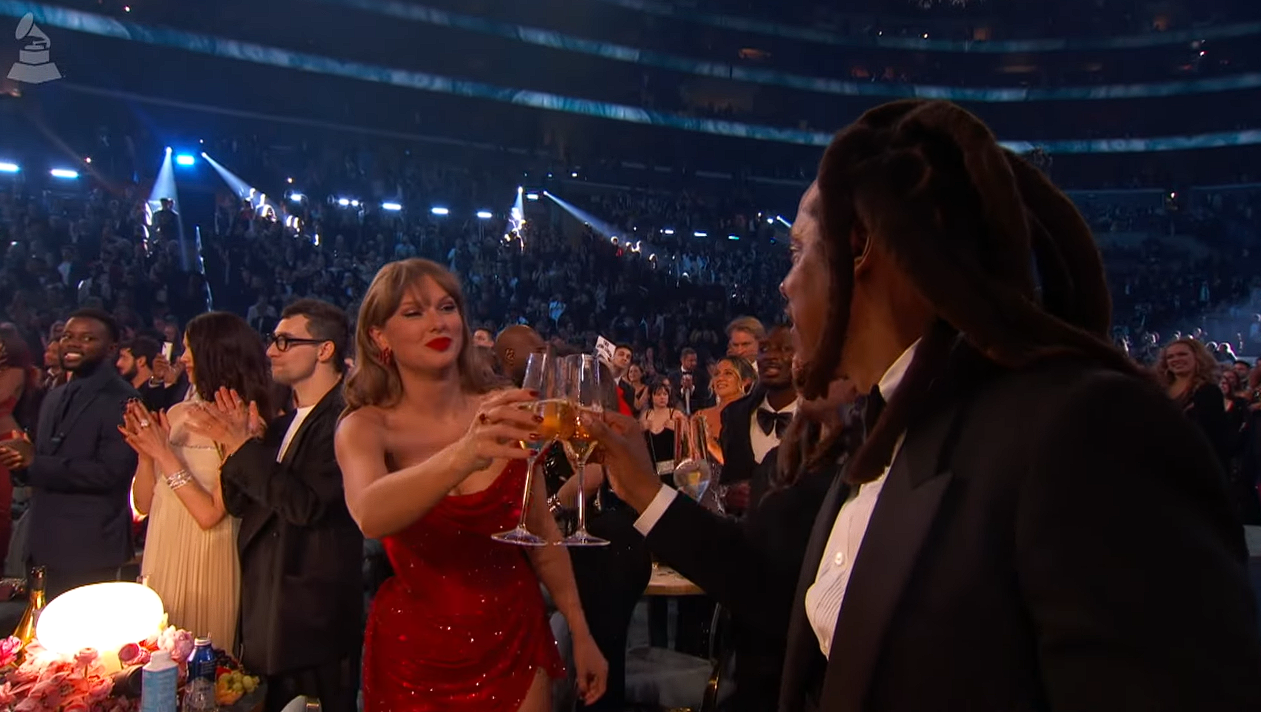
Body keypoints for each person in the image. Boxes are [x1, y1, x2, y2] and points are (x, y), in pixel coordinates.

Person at [590, 99, 1261, 711]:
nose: (784, 283)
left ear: (858, 248)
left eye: (797, 250)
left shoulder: (1084, 430)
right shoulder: (884, 431)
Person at [334, 258, 607, 712]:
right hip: (413, 652)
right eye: (413, 312)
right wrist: (466, 452)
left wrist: (580, 631)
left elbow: (542, 536)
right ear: (379, 336)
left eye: (446, 307)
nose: (437, 322)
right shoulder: (365, 427)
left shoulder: (505, 409)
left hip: (515, 638)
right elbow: (369, 514)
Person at [190, 299, 363, 712]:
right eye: (273, 340)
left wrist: (241, 448)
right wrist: (235, 444)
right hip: (268, 607)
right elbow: (238, 502)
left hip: (311, 615)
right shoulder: (284, 422)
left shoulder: (347, 418)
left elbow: (306, 506)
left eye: (285, 341)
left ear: (325, 350)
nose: (270, 351)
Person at [123, 312, 272, 651]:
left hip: (210, 556)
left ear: (216, 354)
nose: (183, 359)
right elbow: (143, 505)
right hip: (161, 550)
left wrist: (164, 455)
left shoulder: (244, 423)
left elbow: (210, 515)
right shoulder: (175, 414)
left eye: (190, 350)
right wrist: (145, 454)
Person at [0, 309, 138, 598]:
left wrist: (37, 462)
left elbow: (113, 473)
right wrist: (21, 464)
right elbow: (39, 460)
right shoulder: (55, 395)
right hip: (44, 541)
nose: (73, 344)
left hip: (90, 546)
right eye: (67, 336)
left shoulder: (123, 398)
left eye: (87, 338)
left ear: (112, 348)